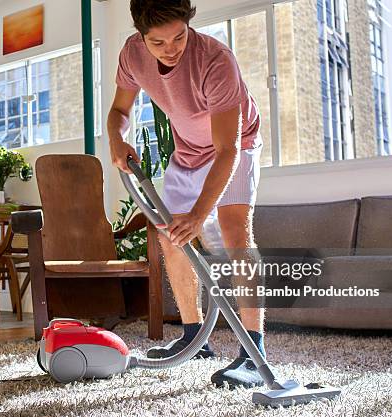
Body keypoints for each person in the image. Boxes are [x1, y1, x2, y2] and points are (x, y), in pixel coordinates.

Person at [107, 0, 265, 389]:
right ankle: (196, 336)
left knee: (235, 235)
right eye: (158, 42)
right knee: (169, 237)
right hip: (188, 152)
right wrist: (116, 138)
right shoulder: (131, 54)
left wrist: (198, 215)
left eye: (179, 36)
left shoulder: (215, 61)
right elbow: (119, 110)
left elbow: (227, 151)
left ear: (189, 24)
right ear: (141, 35)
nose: (171, 48)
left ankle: (254, 351)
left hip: (236, 147)